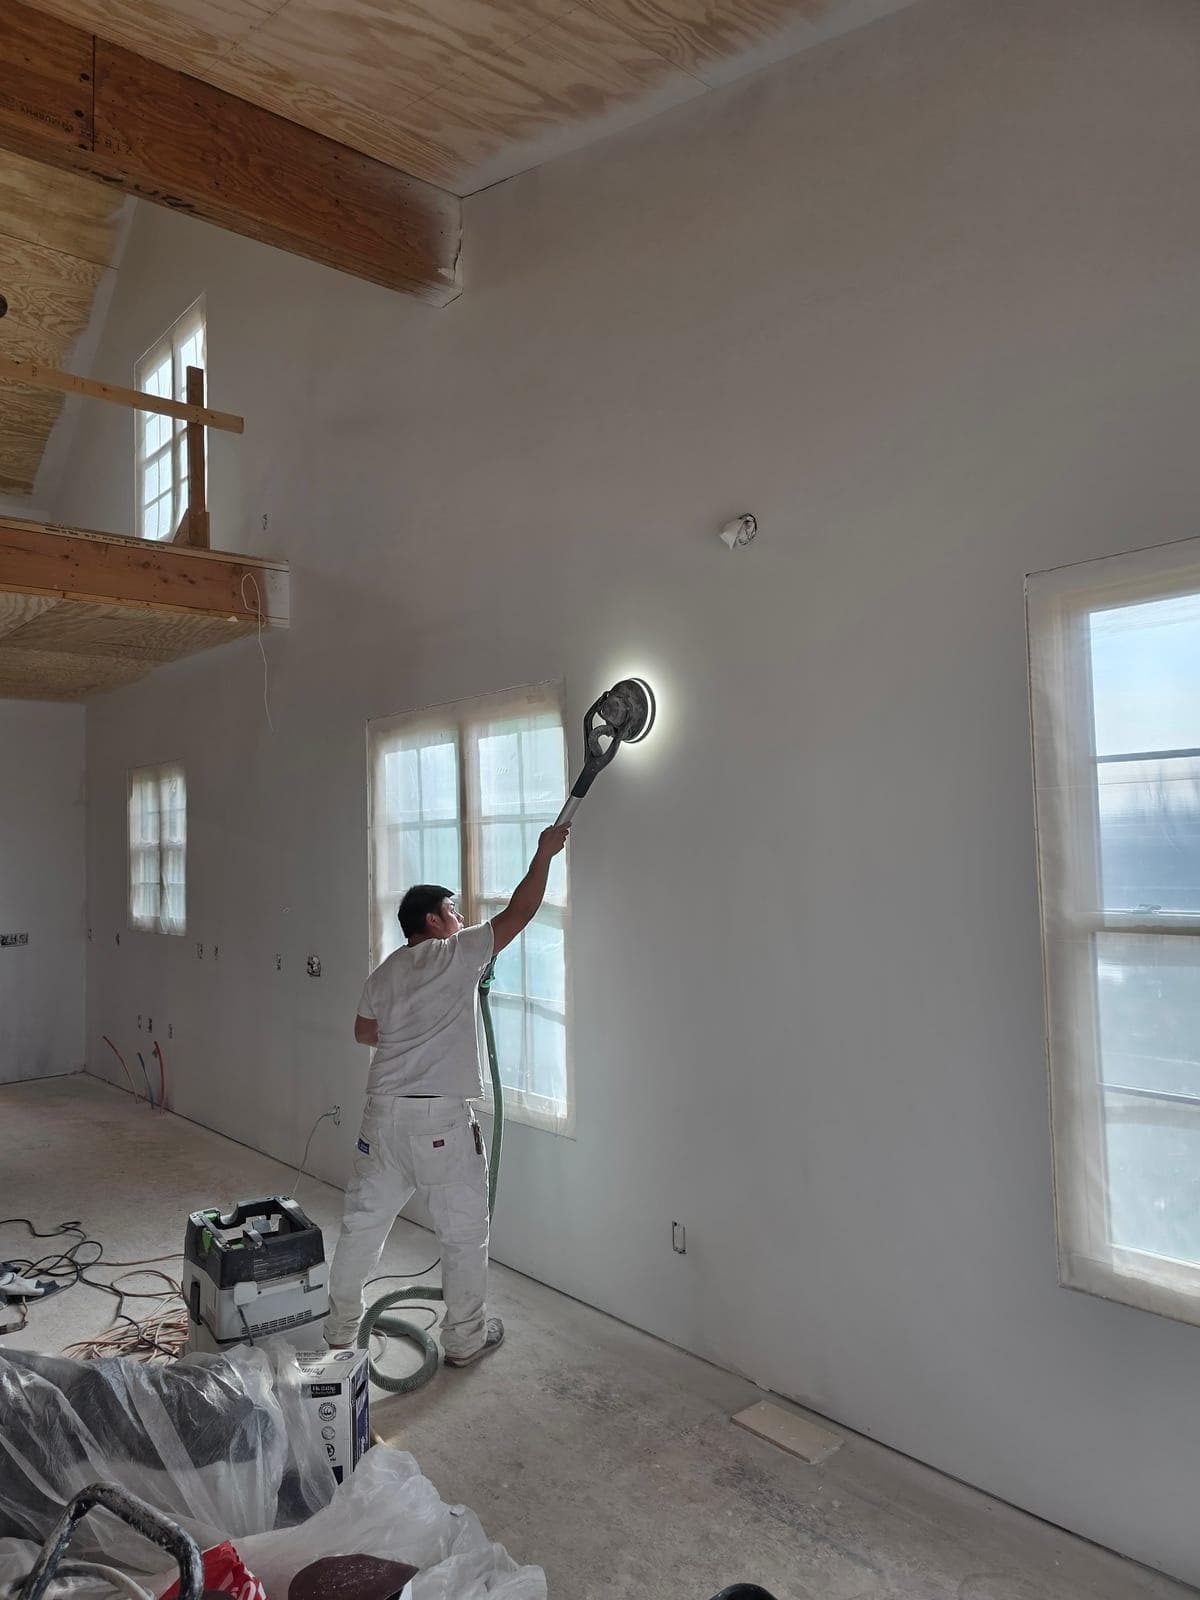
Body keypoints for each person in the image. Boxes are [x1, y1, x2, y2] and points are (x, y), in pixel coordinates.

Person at [325, 824, 570, 1365]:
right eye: (453, 910)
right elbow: (521, 912)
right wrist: (543, 853)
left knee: (362, 1227)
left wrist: (410, 1030)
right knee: (462, 1235)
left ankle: (340, 1331)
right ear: (433, 921)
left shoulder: (385, 972)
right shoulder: (453, 954)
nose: (460, 917)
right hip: (438, 1123)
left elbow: (364, 1033)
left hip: (381, 1119)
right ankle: (463, 1340)